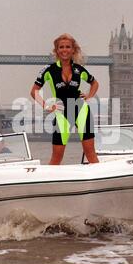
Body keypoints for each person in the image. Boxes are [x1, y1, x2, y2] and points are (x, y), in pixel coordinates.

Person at [30, 33, 99, 165]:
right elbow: (34, 91)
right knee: (56, 157)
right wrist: (46, 106)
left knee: (91, 153)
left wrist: (88, 95)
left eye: (68, 47)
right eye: (61, 47)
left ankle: (100, 183)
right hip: (61, 113)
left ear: (73, 50)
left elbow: (95, 83)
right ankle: (49, 184)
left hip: (81, 110)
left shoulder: (79, 69)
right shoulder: (48, 71)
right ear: (56, 50)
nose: (64, 50)